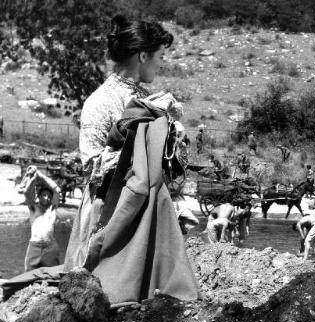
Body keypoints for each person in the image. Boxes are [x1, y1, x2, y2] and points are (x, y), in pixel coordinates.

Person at [64, 15, 197, 304]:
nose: (162, 63)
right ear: (143, 55)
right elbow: (92, 167)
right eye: (160, 56)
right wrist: (139, 138)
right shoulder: (100, 102)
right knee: (110, 295)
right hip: (110, 212)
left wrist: (169, 134)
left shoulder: (148, 98)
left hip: (146, 209)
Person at [17, 166, 61, 271]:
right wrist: (33, 178)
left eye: (49, 196)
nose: (47, 198)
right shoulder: (33, 208)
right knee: (29, 275)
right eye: (44, 195)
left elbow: (57, 189)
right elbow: (27, 193)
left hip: (50, 246)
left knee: (52, 276)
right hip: (34, 246)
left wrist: (40, 175)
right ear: (39, 196)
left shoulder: (52, 210)